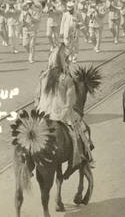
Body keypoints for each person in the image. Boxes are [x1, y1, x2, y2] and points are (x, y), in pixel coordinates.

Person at [36, 44, 94, 174]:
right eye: (67, 61)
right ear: (64, 62)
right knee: (81, 130)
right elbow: (70, 103)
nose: (68, 63)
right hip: (60, 114)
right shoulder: (66, 79)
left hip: (42, 113)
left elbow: (37, 98)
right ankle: (80, 159)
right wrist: (63, 114)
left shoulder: (43, 76)